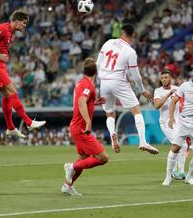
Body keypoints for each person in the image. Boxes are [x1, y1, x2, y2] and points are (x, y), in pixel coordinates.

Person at [96, 23, 158, 154]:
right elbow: (136, 75)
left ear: (121, 33)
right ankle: (143, 142)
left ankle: (113, 134)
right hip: (118, 80)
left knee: (110, 113)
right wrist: (142, 90)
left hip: (104, 82)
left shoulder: (108, 42)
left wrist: (99, 82)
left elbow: (98, 64)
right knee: (136, 110)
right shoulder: (130, 51)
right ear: (133, 35)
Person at [0, 9, 45, 138]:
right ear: (16, 21)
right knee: (13, 92)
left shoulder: (11, 33)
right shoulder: (3, 27)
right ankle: (28, 122)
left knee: (7, 96)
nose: (25, 25)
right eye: (23, 23)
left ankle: (10, 128)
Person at [62, 58, 108, 196]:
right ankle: (71, 166)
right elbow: (82, 102)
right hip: (82, 128)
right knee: (103, 157)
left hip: (76, 126)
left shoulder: (81, 83)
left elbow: (83, 101)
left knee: (84, 157)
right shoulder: (89, 85)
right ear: (96, 72)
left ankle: (67, 185)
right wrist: (88, 121)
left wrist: (94, 102)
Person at [153, 70, 188, 179]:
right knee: (177, 143)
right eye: (162, 77)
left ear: (170, 78)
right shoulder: (158, 91)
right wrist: (168, 94)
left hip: (178, 121)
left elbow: (184, 103)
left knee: (185, 145)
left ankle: (180, 171)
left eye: (166, 77)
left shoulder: (178, 89)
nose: (164, 79)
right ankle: (172, 171)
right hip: (165, 122)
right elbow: (157, 105)